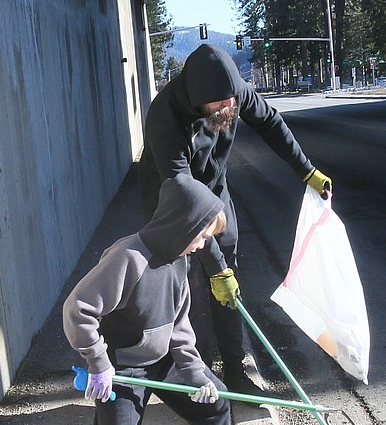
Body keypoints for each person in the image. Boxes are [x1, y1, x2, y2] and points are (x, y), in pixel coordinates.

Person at [28, 176, 263, 425]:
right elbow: (79, 309)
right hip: (123, 370)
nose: (204, 245)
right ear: (181, 224)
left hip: (162, 360)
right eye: (202, 235)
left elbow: (179, 322)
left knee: (214, 403)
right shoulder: (129, 257)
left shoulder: (179, 259)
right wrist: (99, 362)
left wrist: (194, 371)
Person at [140, 43, 333, 394]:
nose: (229, 108)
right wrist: (215, 265)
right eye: (219, 105)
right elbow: (183, 198)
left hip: (215, 193)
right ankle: (196, 376)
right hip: (170, 202)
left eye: (232, 101)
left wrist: (307, 171)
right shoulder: (164, 118)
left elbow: (271, 122)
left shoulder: (231, 92)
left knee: (229, 288)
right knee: (191, 288)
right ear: (198, 100)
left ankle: (234, 370)